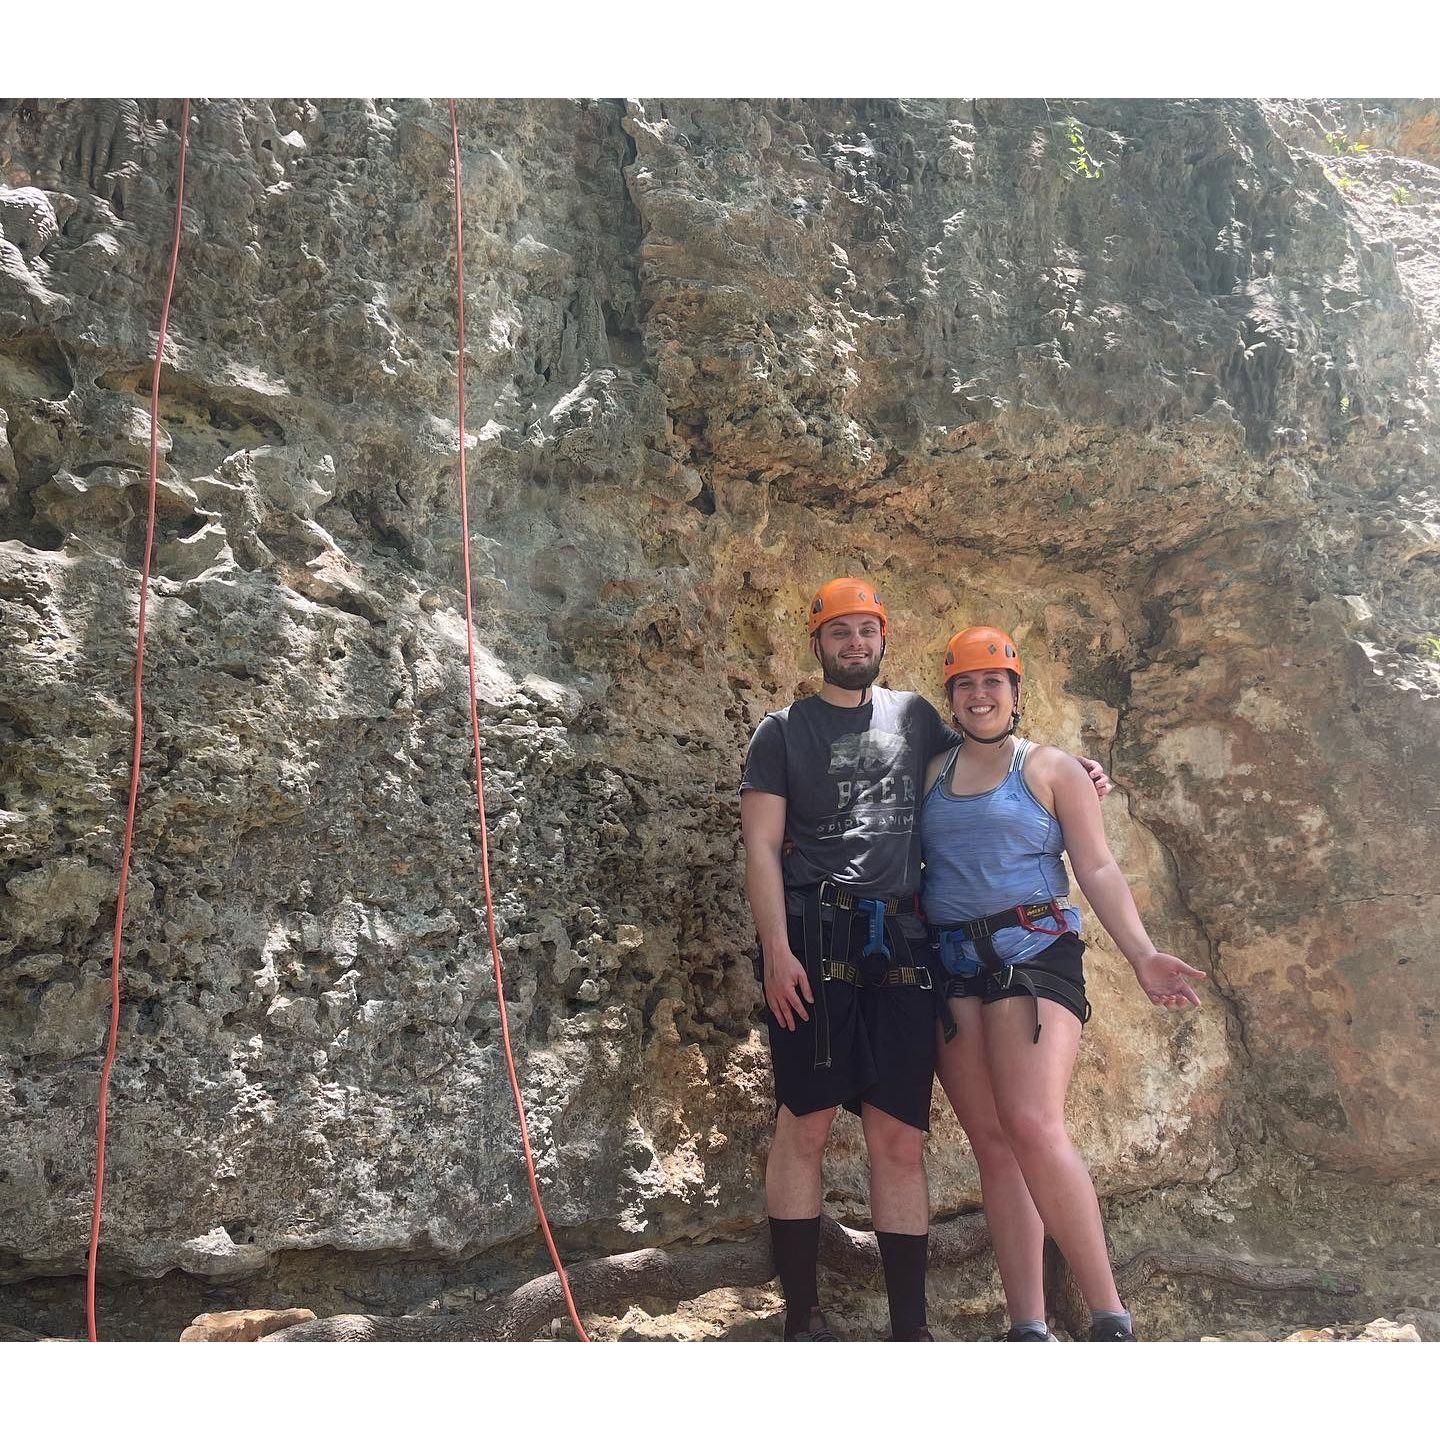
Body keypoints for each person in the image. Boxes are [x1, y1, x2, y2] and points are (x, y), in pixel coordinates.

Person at [739, 584, 1110, 1341]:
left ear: (883, 638)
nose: (852, 643)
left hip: (907, 948)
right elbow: (760, 848)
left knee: (900, 1136)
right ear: (816, 643)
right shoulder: (781, 732)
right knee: (803, 1124)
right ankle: (801, 1317)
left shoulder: (915, 720)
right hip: (816, 938)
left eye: (864, 631)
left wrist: (1079, 773)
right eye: (837, 632)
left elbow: (990, 750)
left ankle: (909, 1332)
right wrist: (776, 951)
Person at [920, 625, 1205, 1342]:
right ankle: (1028, 1327)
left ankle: (1109, 1317)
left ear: (1017, 692)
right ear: (950, 697)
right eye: (965, 683)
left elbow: (1099, 867)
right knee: (991, 1140)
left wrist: (1142, 955)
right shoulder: (929, 773)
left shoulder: (1050, 769)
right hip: (953, 964)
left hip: (1036, 952)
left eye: (993, 681)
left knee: (1033, 1124)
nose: (979, 694)